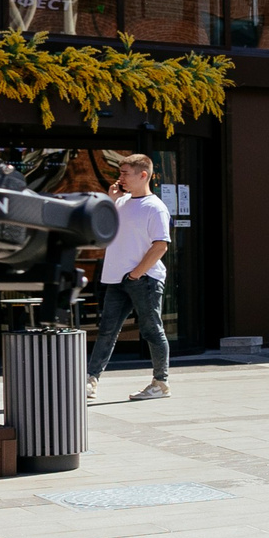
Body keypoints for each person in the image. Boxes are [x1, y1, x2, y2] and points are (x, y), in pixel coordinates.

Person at [86, 153, 172, 402]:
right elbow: (105, 232)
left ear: (143, 175)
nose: (120, 176)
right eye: (120, 172)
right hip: (116, 278)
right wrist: (112, 202)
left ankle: (161, 383)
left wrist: (136, 274)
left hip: (143, 279)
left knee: (152, 330)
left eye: (125, 173)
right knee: (106, 331)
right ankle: (90, 381)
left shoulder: (155, 207)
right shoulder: (121, 201)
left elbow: (161, 246)